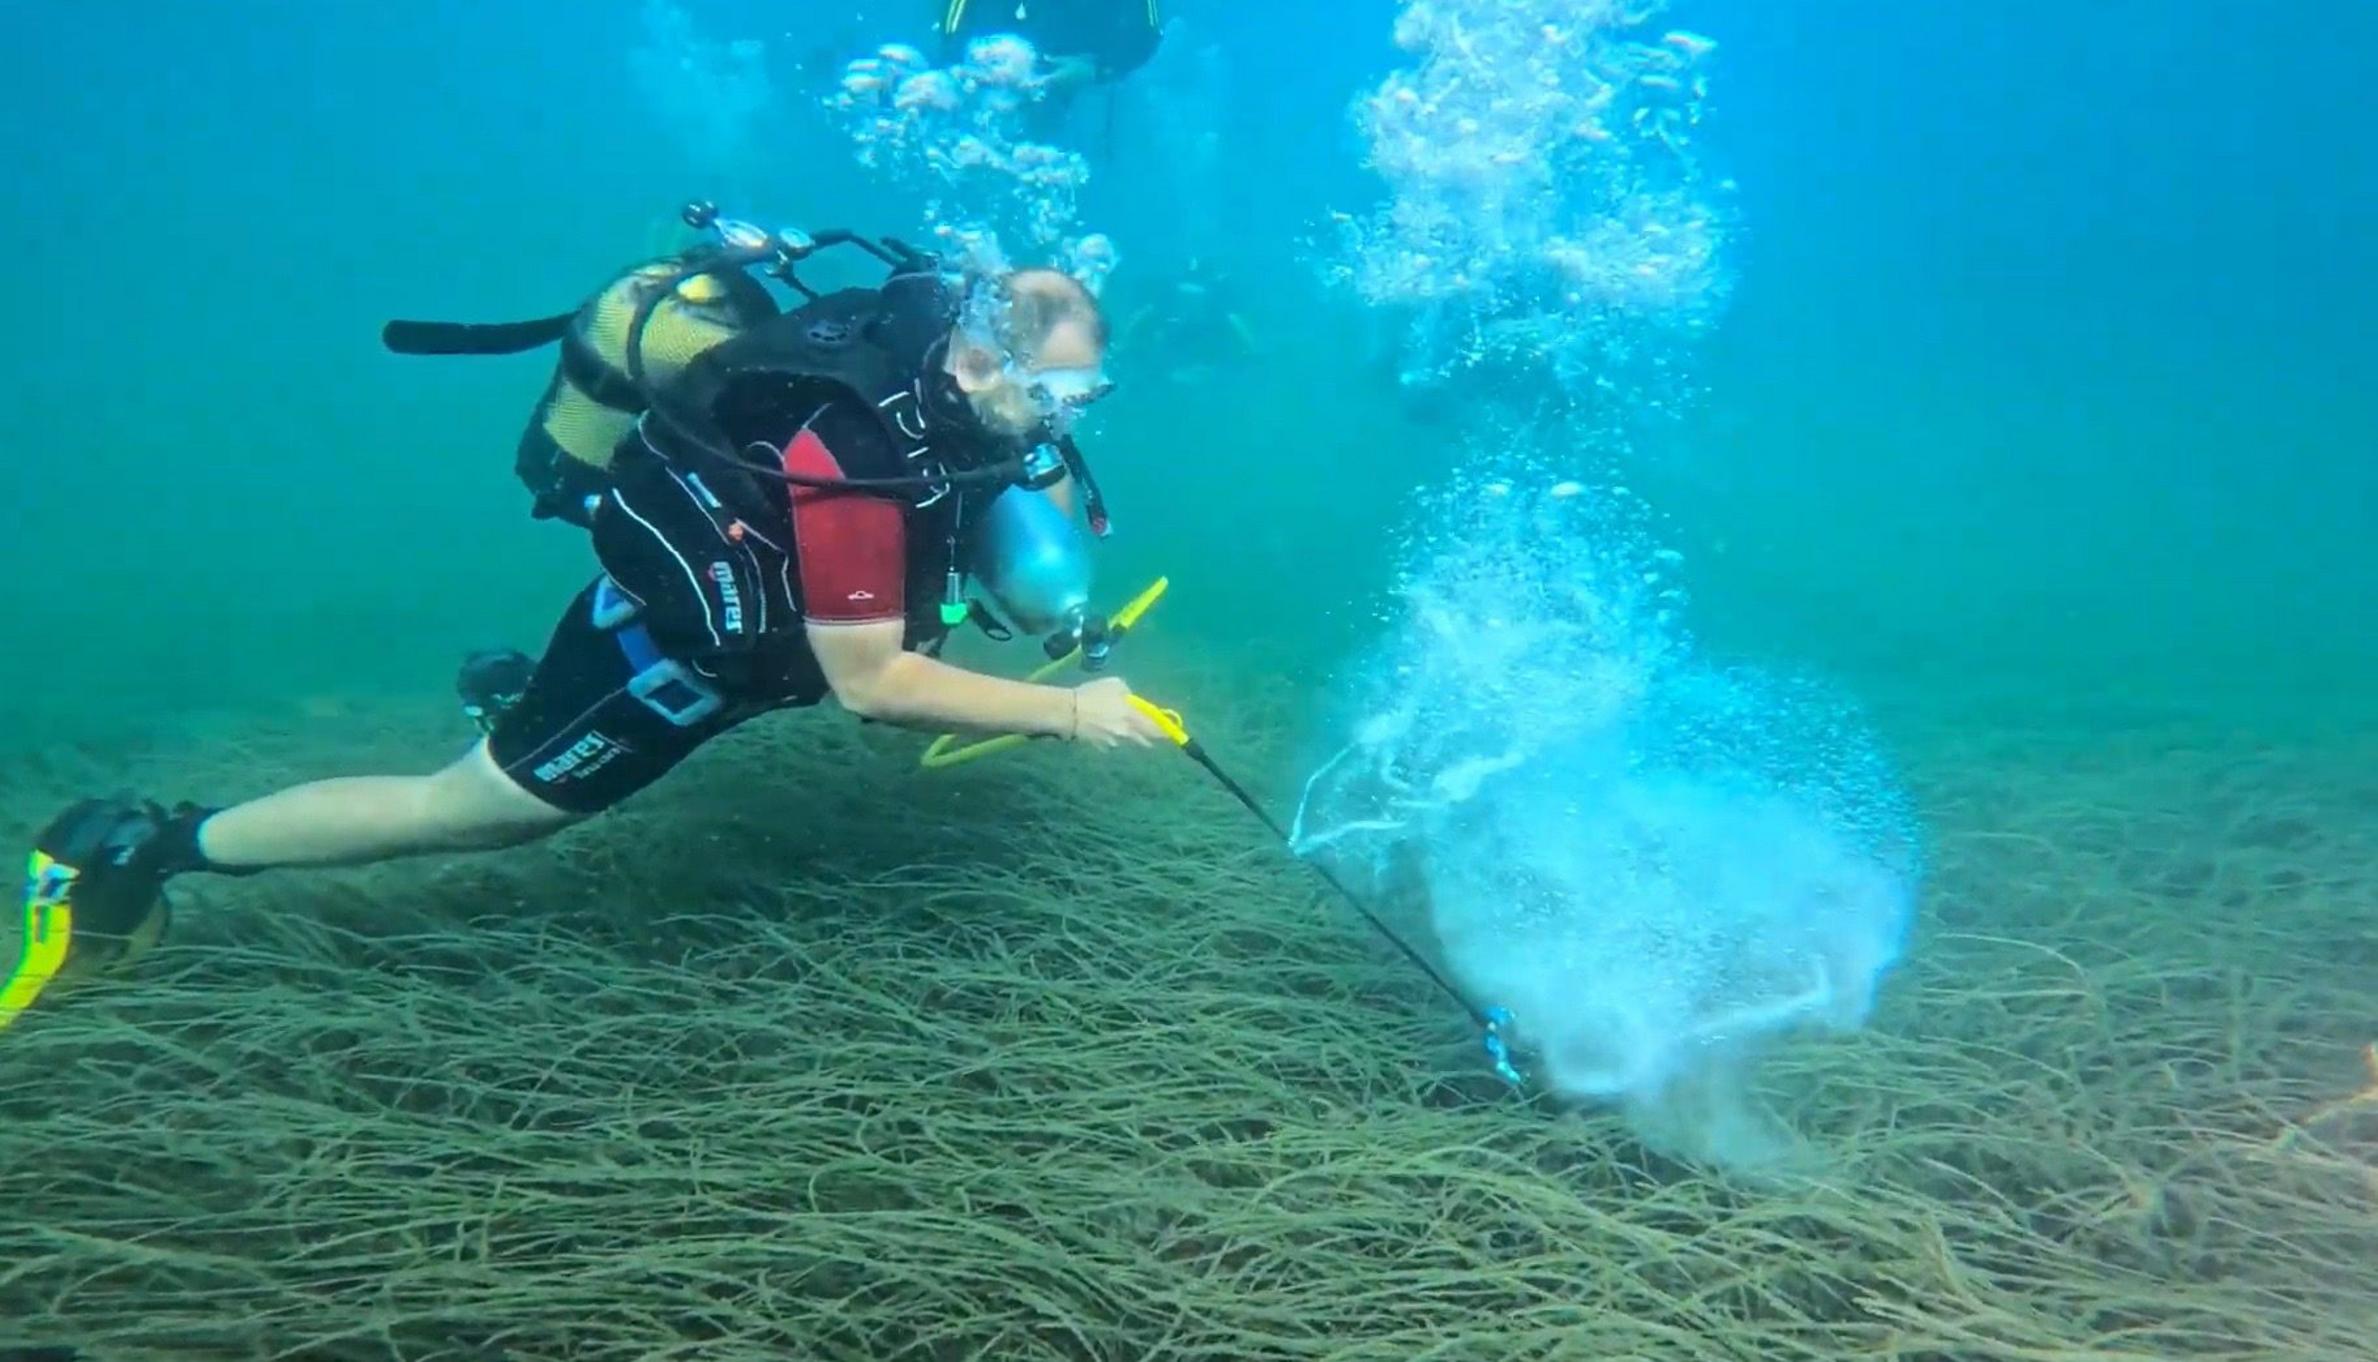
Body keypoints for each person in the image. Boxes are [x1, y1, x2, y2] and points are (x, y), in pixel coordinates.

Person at [13, 219, 1171, 1015]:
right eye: (1055, 395)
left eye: (1086, 397)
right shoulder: (856, 458)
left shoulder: (949, 366)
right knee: (472, 813)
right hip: (669, 656)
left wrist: (1050, 591)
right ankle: (140, 849)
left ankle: (514, 694)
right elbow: (871, 685)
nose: (1064, 420)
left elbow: (1022, 483)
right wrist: (1066, 716)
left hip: (762, 610)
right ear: (973, 359)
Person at [935, 0, 1164, 128]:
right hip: (1002, 76)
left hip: (1089, 85)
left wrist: (1095, 72)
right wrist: (967, 67)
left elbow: (1147, 35)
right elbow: (954, 27)